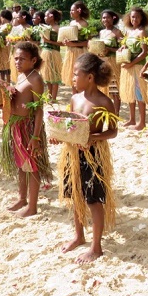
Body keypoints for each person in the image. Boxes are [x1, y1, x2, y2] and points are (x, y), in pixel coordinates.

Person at [53, 53, 118, 263]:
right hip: (72, 154)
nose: (72, 78)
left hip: (93, 155)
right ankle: (79, 236)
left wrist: (93, 137)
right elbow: (70, 126)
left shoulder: (104, 102)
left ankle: (96, 246)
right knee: (75, 196)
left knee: (93, 200)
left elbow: (113, 131)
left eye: (75, 74)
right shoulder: (74, 98)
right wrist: (58, 135)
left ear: (89, 77)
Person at [0, 42, 53, 217]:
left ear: (33, 60)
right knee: (21, 165)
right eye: (16, 58)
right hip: (16, 125)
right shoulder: (22, 75)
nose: (18, 62)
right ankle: (22, 198)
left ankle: (32, 205)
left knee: (33, 165)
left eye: (22, 59)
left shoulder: (36, 79)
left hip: (29, 127)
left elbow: (38, 109)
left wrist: (35, 137)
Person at [119, 7, 148, 130]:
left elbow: (145, 52)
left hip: (137, 66)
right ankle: (132, 119)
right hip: (127, 66)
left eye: (137, 17)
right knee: (130, 92)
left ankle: (142, 122)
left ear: (142, 18)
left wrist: (131, 64)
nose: (134, 19)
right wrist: (122, 49)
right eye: (132, 17)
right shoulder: (129, 32)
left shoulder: (143, 32)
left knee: (139, 94)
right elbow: (125, 46)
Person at [98, 9, 124, 114]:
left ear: (113, 18)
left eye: (107, 17)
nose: (105, 20)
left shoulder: (117, 32)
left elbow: (123, 48)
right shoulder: (101, 32)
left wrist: (111, 50)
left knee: (114, 89)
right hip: (103, 63)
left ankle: (116, 113)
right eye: (103, 18)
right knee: (104, 88)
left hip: (113, 63)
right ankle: (106, 110)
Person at [61, 1, 92, 90]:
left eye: (72, 10)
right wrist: (66, 41)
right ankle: (74, 97)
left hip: (80, 52)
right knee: (72, 75)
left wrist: (73, 44)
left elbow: (87, 42)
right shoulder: (71, 23)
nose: (70, 12)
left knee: (80, 75)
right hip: (70, 52)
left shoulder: (84, 24)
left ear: (79, 11)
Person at [40, 9, 64, 101]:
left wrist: (49, 41)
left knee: (54, 75)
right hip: (45, 52)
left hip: (54, 53)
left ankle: (54, 98)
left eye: (46, 16)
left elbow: (62, 44)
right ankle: (49, 96)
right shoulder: (45, 28)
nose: (44, 18)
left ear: (52, 17)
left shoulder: (58, 29)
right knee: (47, 75)